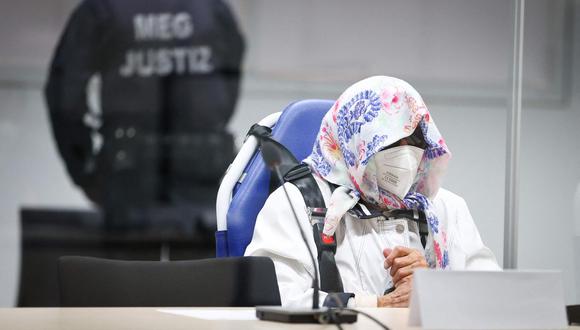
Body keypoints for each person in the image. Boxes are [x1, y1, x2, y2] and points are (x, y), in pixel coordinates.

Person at [244, 76, 500, 308]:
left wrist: (434, 286)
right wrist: (376, 305)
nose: (406, 153)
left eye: (415, 140)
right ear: (356, 141)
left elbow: (494, 296)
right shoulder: (298, 203)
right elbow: (273, 297)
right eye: (390, 141)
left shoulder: (445, 207)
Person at [45, 0, 244, 228]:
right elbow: (229, 81)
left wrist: (84, 168)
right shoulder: (211, 8)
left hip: (127, 176)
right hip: (202, 174)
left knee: (129, 262)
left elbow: (65, 96)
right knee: (200, 262)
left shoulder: (102, 8)